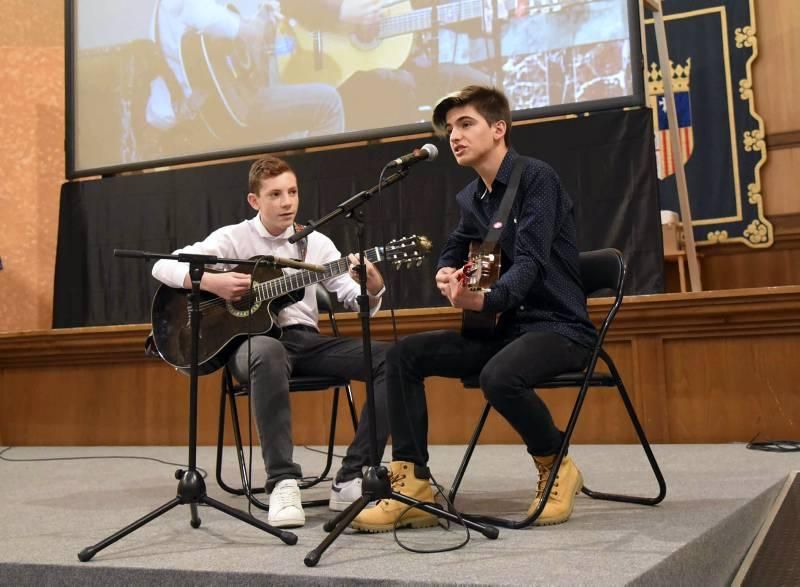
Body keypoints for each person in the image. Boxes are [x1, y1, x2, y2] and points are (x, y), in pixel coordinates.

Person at [351, 85, 597, 532]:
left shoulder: (537, 178)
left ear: (498, 129)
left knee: (499, 376)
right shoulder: (473, 197)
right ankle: (414, 484)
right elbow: (453, 247)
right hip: (501, 330)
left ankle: (557, 464)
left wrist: (484, 298)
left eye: (466, 124)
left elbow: (531, 263)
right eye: (450, 129)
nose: (455, 137)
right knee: (403, 355)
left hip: (559, 328)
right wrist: (447, 275)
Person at [152, 155, 390, 528]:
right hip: (254, 346)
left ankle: (351, 477)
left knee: (394, 359)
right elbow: (162, 265)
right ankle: (282, 481)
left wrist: (371, 288)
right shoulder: (233, 239)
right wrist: (212, 282)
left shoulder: (315, 243)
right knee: (268, 350)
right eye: (275, 194)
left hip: (307, 343)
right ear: (255, 201)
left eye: (292, 192)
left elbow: (352, 296)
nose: (287, 202)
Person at [144, 0, 344, 150]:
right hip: (224, 112)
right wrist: (245, 28)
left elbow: (220, 41)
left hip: (230, 104)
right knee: (328, 104)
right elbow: (202, 14)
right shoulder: (184, 7)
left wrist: (264, 18)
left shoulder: (166, 13)